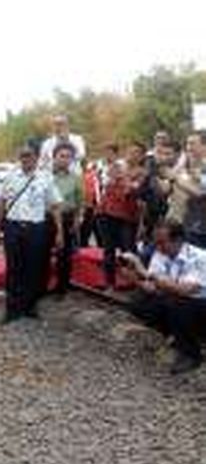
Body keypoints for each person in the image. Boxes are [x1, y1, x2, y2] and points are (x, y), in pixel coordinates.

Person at [121, 220, 206, 375]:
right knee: (139, 304)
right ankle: (175, 335)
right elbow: (153, 288)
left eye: (162, 242)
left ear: (178, 241)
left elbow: (185, 290)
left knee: (178, 303)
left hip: (199, 305)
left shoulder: (200, 257)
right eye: (156, 242)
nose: (158, 247)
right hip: (179, 301)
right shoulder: (160, 254)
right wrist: (134, 278)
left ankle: (192, 354)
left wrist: (145, 272)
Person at [0, 142, 63, 323]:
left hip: (36, 229)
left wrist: (59, 233)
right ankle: (12, 308)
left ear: (36, 157)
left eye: (29, 155)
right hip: (13, 227)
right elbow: (2, 202)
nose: (25, 159)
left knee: (33, 269)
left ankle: (29, 306)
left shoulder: (45, 178)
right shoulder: (10, 176)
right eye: (22, 155)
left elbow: (55, 206)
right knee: (13, 268)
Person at [97, 157, 143, 290]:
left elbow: (135, 198)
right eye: (114, 170)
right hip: (107, 217)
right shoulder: (110, 183)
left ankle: (132, 282)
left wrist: (140, 224)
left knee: (128, 250)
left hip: (126, 219)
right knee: (109, 250)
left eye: (120, 170)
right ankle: (109, 283)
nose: (116, 172)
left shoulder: (133, 183)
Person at [48, 143, 83, 297]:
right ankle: (42, 284)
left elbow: (80, 202)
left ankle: (62, 287)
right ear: (54, 157)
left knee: (64, 255)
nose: (65, 160)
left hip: (67, 218)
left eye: (69, 157)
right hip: (47, 218)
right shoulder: (45, 176)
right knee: (43, 253)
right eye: (62, 156)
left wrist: (77, 220)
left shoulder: (75, 178)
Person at [164, 133, 206, 248]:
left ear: (204, 146)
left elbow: (200, 194)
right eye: (187, 144)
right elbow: (165, 189)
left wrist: (175, 178)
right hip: (183, 225)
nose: (188, 147)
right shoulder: (183, 167)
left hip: (201, 228)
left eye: (192, 143)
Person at [79, 158, 100, 247]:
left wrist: (97, 205)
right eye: (82, 164)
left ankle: (84, 245)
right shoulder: (78, 176)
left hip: (90, 206)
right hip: (81, 206)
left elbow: (96, 191)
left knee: (87, 227)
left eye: (85, 164)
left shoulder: (92, 176)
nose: (84, 166)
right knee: (82, 228)